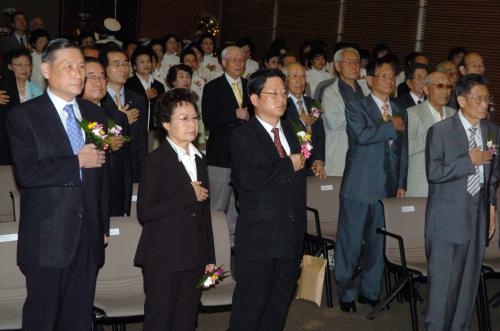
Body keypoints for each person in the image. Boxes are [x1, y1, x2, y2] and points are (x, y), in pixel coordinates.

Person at [6, 38, 108, 331]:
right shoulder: (24, 115)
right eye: (69, 67)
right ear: (47, 70)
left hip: (88, 236)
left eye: (81, 67)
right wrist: (75, 161)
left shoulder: (94, 114)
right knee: (43, 317)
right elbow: (26, 174)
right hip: (48, 237)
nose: (78, 74)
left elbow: (100, 175)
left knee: (78, 318)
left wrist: (100, 226)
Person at [228, 69, 306, 331]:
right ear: (254, 99)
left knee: (278, 307)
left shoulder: (293, 130)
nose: (281, 98)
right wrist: (287, 166)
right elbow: (245, 180)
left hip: (291, 235)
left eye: (284, 93)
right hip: (260, 238)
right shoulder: (243, 136)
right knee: (249, 310)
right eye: (273, 93)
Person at [134, 88, 215, 331]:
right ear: (166, 124)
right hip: (163, 257)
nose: (192, 124)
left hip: (194, 254)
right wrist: (186, 195)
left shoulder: (200, 159)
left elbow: (204, 214)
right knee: (160, 320)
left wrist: (209, 257)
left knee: (187, 320)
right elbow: (145, 212)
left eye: (195, 117)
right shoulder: (155, 161)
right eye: (184, 118)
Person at [425, 74, 498, 330]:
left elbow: (493, 175)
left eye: (487, 99)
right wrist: (469, 161)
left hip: (477, 220)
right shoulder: (440, 132)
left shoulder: (491, 132)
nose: (484, 104)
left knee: (467, 288)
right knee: (442, 290)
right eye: (478, 99)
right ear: (462, 100)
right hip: (446, 221)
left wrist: (491, 209)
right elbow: (433, 173)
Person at [335, 56, 406, 313]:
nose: (389, 80)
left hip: (385, 189)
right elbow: (362, 136)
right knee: (351, 243)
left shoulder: (398, 109)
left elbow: (402, 151)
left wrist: (401, 182)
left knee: (377, 245)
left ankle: (371, 291)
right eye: (383, 75)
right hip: (359, 186)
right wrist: (391, 128)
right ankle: (346, 293)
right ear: (370, 79)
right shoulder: (357, 105)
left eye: (392, 76)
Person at [202, 45, 251, 245]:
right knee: (218, 205)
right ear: (224, 63)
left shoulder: (250, 85)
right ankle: (212, 245)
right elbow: (208, 119)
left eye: (242, 60)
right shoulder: (213, 87)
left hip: (244, 155)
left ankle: (232, 245)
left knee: (237, 206)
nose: (239, 64)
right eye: (234, 60)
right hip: (221, 154)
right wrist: (235, 115)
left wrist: (249, 116)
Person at [99, 46, 148, 183]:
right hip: (106, 166)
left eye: (126, 64)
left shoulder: (138, 99)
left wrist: (143, 171)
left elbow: (142, 140)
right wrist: (122, 120)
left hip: (131, 168)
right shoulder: (98, 99)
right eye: (117, 64)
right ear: (104, 69)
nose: (124, 68)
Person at [404, 71, 455, 197]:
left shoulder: (453, 114)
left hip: (449, 183)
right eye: (440, 86)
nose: (445, 91)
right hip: (422, 184)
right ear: (426, 89)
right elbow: (406, 148)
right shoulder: (412, 113)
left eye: (448, 87)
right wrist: (433, 134)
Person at [321, 47, 370, 176]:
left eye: (356, 62)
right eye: (349, 62)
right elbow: (335, 122)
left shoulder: (366, 89)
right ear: (337, 66)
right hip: (341, 152)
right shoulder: (330, 92)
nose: (354, 66)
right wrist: (362, 113)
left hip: (365, 153)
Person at [284, 63, 325, 178]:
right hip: (294, 163)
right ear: (285, 80)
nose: (299, 80)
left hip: (314, 163)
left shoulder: (313, 103)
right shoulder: (282, 104)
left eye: (302, 76)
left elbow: (320, 134)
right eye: (294, 76)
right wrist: (302, 123)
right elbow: (285, 132)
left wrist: (319, 159)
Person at [125, 47, 165, 131]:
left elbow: (162, 108)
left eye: (148, 61)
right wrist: (144, 96)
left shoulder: (159, 85)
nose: (146, 64)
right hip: (136, 128)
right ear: (135, 66)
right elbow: (127, 105)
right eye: (142, 62)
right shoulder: (128, 84)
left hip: (154, 129)